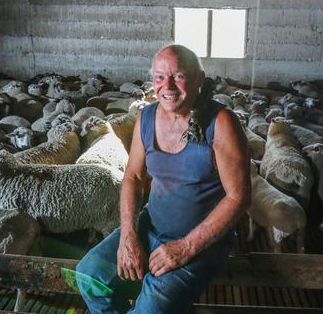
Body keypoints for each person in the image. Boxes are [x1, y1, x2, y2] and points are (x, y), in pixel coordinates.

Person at [76, 44, 251, 313]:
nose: (167, 85)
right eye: (159, 77)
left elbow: (238, 197)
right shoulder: (146, 117)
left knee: (151, 309)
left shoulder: (222, 122)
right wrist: (128, 234)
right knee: (89, 275)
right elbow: (133, 177)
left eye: (178, 76)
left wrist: (186, 247)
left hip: (201, 241)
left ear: (198, 80)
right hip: (151, 226)